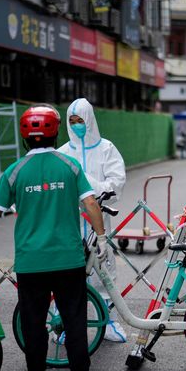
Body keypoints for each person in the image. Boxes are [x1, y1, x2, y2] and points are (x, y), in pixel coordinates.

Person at [0, 104, 106, 371]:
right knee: (74, 317)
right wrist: (101, 237)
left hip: (31, 262)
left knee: (33, 321)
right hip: (68, 258)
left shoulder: (15, 172)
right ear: (55, 132)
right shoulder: (70, 166)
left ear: (25, 137)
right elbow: (90, 203)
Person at [57, 98, 128, 343]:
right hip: (70, 224)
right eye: (72, 122)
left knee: (103, 270)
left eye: (81, 121)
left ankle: (107, 321)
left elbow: (116, 185)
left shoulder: (106, 149)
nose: (77, 126)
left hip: (99, 222)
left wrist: (88, 184)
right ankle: (64, 324)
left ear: (90, 121)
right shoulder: (62, 153)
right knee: (68, 274)